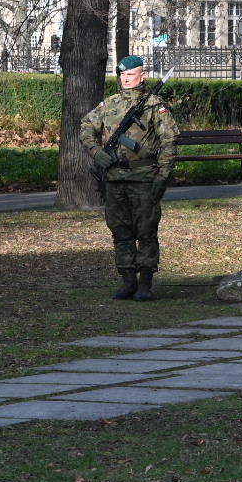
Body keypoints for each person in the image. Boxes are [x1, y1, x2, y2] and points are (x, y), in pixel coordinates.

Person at [79, 55, 179, 300]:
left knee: (146, 232)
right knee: (120, 231)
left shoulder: (154, 104)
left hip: (145, 178)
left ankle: (145, 283)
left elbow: (169, 141)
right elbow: (86, 127)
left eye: (131, 74)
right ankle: (128, 281)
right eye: (122, 75)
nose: (125, 78)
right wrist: (97, 152)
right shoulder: (110, 103)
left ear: (142, 76)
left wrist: (162, 177)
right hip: (115, 179)